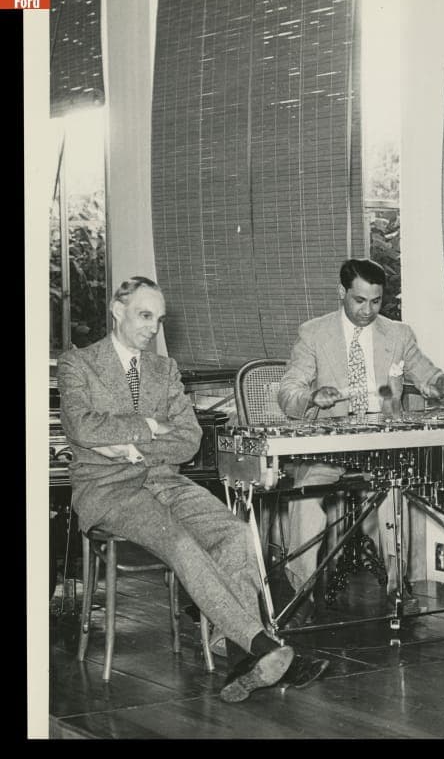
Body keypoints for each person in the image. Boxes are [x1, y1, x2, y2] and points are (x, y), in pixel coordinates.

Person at [58, 277, 300, 703]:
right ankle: (259, 646)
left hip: (165, 479)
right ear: (117, 310)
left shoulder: (163, 369)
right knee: (183, 545)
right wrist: (152, 426)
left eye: (160, 319)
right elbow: (81, 426)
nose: (154, 328)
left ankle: (235, 649)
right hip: (106, 489)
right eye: (144, 315)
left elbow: (188, 439)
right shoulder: (79, 364)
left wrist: (126, 445)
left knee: (234, 532)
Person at [276, 258, 444, 613]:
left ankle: (396, 589)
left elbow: (425, 372)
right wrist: (312, 397)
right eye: (359, 300)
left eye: (376, 302)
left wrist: (441, 384)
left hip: (379, 446)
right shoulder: (313, 333)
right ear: (341, 293)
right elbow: (288, 393)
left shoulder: (398, 334)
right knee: (305, 499)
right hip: (327, 448)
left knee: (395, 493)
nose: (368, 310)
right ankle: (301, 593)